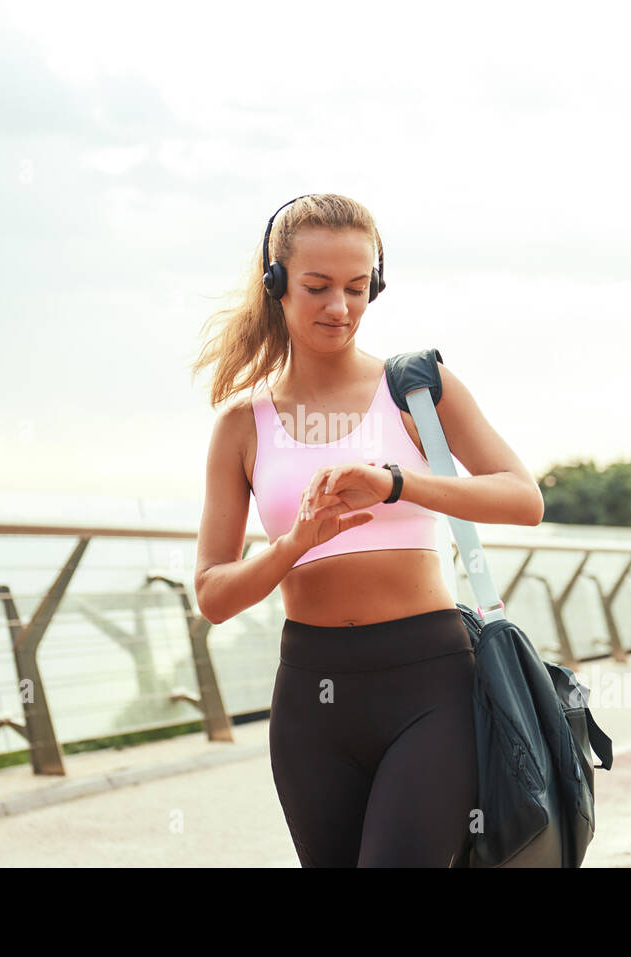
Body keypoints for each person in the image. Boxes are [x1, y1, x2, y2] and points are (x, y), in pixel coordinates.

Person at [190, 193, 544, 867]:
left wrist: (397, 482)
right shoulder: (242, 425)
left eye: (357, 288)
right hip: (310, 699)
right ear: (277, 286)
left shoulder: (418, 389)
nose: (340, 307)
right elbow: (212, 594)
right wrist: (294, 543)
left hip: (429, 686)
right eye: (318, 287)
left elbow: (523, 497)